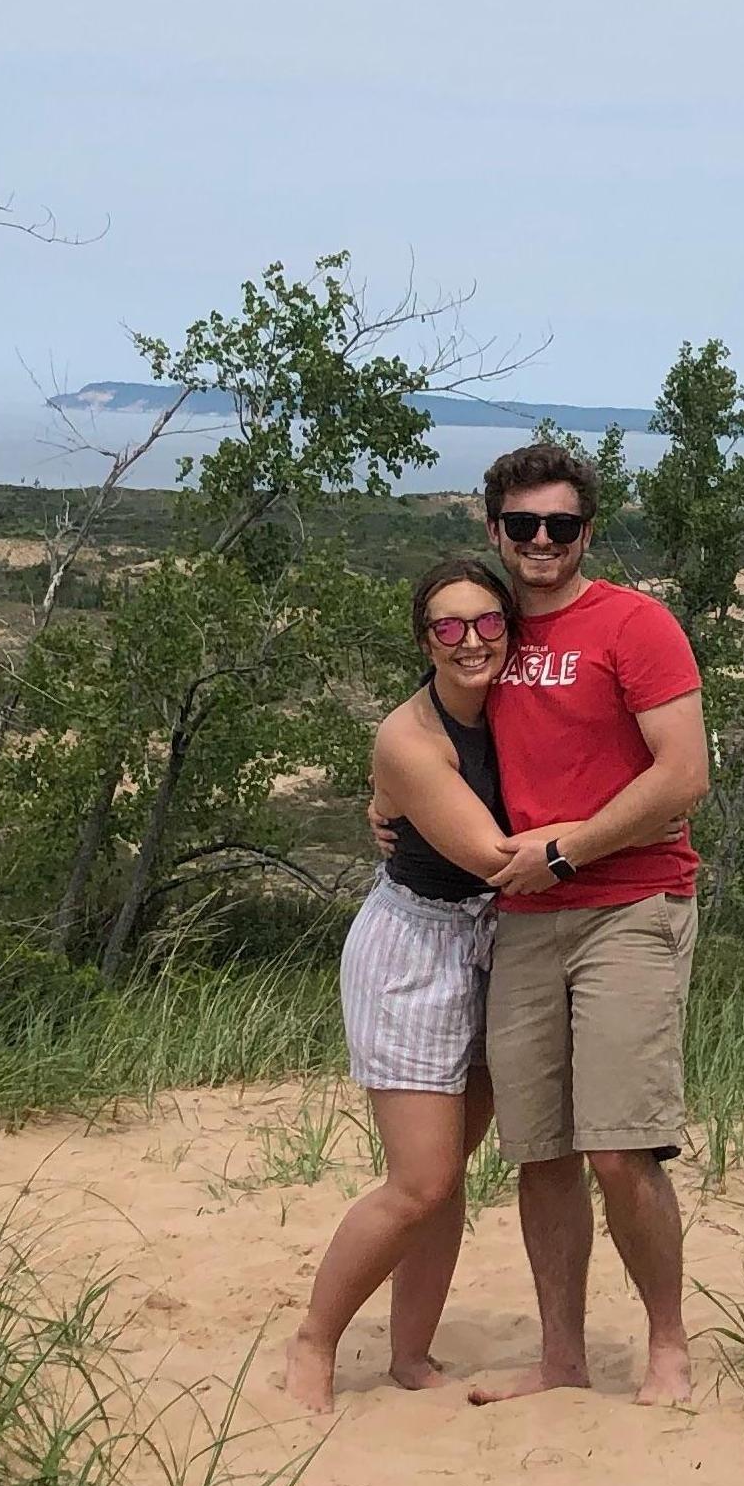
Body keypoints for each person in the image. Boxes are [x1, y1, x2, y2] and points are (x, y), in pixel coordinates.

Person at [466, 440, 710, 1407]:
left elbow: (682, 775)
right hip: (524, 915)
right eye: (522, 526)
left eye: (560, 526)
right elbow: (432, 729)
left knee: (621, 1145)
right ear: (494, 531)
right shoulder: (483, 633)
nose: (540, 542)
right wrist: (389, 796)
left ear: (586, 532)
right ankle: (560, 1357)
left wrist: (570, 847)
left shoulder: (636, 626)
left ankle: (667, 1346)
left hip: (631, 903)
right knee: (542, 1149)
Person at [285, 558, 521, 1414]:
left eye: (488, 622)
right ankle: (315, 1339)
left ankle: (410, 1351)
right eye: (448, 627)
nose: (470, 641)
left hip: (502, 944)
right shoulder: (409, 738)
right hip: (417, 945)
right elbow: (495, 855)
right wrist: (622, 833)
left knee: (450, 1175)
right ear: (424, 639)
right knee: (418, 1180)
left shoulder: (522, 711)